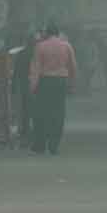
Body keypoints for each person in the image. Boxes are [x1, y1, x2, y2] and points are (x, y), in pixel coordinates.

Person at [29, 21, 77, 155]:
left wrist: (33, 86)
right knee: (58, 113)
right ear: (57, 33)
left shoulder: (40, 46)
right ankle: (54, 145)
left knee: (42, 114)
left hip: (45, 82)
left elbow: (35, 68)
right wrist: (72, 84)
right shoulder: (67, 46)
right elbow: (73, 67)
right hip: (60, 82)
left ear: (47, 33)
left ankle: (40, 145)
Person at [12, 31, 40, 144]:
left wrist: (14, 85)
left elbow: (16, 71)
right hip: (35, 83)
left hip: (24, 83)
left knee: (25, 108)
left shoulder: (21, 54)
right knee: (35, 107)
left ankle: (25, 130)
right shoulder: (37, 53)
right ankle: (35, 130)